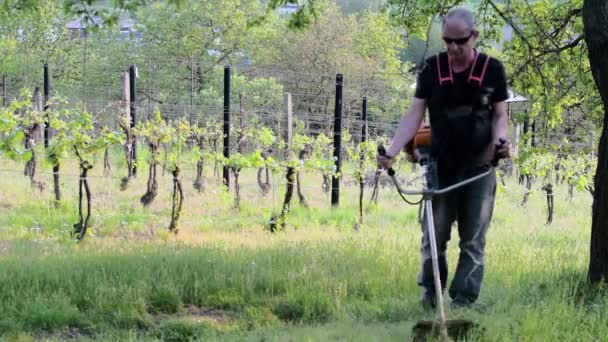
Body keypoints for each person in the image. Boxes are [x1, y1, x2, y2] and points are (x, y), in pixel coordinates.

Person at [377, 7, 511, 309]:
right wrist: (393, 150)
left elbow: (501, 116)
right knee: (433, 238)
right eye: (447, 41)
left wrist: (502, 142)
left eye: (459, 41)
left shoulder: (492, 69)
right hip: (441, 168)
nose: (452, 48)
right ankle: (430, 297)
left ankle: (464, 301)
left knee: (473, 240)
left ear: (473, 36)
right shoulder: (431, 69)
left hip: (479, 169)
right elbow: (414, 113)